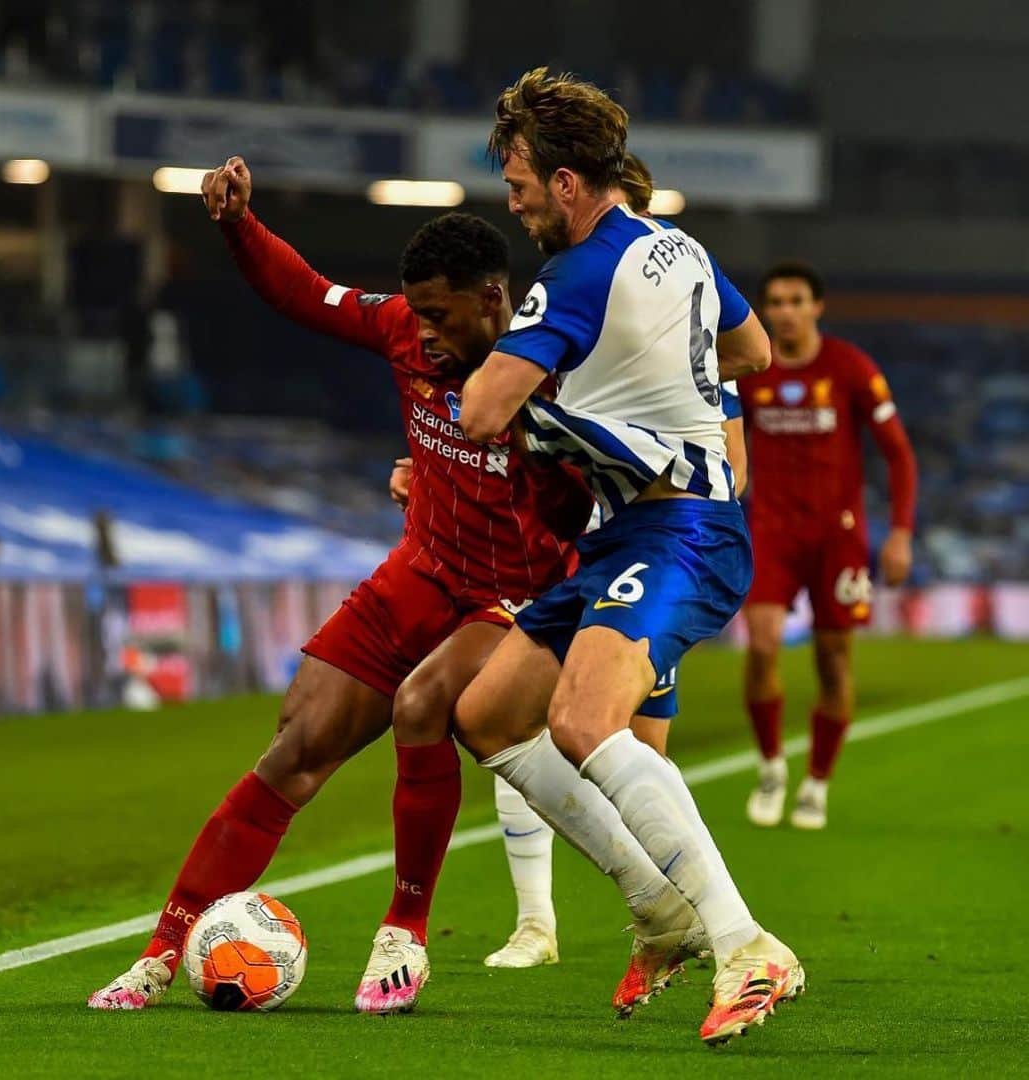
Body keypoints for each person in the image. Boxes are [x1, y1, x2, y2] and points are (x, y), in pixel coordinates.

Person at [87, 156, 590, 1011]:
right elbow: (302, 293)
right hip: (420, 572)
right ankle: (162, 951)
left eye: (441, 315)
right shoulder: (400, 329)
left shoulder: (554, 370)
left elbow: (601, 492)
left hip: (512, 598)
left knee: (421, 707)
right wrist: (239, 225)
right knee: (295, 749)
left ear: (493, 299)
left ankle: (405, 930)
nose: (423, 332)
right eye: (417, 313)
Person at [449, 68, 803, 1045]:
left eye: (517, 175)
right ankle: (659, 907)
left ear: (567, 182)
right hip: (634, 531)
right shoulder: (676, 246)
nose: (510, 195)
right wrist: (652, 396)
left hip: (679, 528)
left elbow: (483, 410)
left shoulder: (576, 276)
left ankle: (743, 944)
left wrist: (546, 390)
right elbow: (756, 354)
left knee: (583, 720)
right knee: (486, 715)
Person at [739, 261, 917, 830]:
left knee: (832, 660)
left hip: (838, 536)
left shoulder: (850, 368)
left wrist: (901, 533)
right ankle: (771, 767)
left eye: (796, 300)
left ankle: (816, 782)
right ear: (765, 310)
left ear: (817, 307)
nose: (785, 311)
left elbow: (899, 454)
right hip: (769, 529)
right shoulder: (747, 368)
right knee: (763, 645)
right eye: (776, 301)